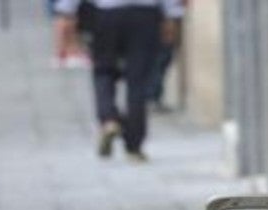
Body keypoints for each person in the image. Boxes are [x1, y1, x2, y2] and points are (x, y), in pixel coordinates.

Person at [53, 0, 183, 161]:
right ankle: (134, 146)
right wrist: (172, 15)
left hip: (107, 16)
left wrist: (66, 12)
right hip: (145, 17)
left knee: (103, 71)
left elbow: (66, 9)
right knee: (138, 81)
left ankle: (109, 119)